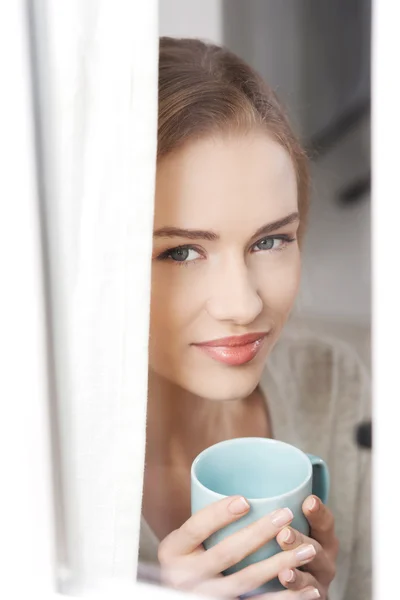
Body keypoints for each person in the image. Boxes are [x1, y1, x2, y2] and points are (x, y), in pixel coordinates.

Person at [138, 37, 371, 600]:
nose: (242, 305)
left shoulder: (331, 382)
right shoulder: (36, 487)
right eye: (181, 252)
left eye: (270, 240)